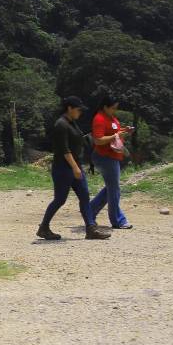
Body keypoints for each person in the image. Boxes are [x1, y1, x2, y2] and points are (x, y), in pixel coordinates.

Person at [37, 96, 112, 240]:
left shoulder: (72, 123)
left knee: (84, 196)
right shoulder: (61, 124)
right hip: (63, 168)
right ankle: (44, 227)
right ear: (69, 108)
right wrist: (75, 168)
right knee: (60, 199)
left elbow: (76, 140)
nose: (80, 112)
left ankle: (91, 229)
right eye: (78, 110)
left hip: (74, 166)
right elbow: (65, 150)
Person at [89, 93, 134, 230]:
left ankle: (89, 211)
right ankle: (118, 220)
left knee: (111, 188)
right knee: (114, 189)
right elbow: (98, 140)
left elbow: (115, 132)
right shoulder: (99, 119)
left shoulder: (112, 118)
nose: (115, 110)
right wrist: (116, 135)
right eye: (113, 108)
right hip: (104, 157)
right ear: (105, 107)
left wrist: (124, 131)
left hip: (113, 157)